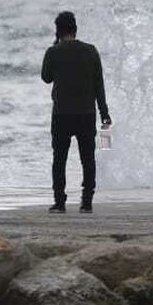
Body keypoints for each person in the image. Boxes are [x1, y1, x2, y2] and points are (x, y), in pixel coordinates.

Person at [40, 11, 111, 213]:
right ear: (75, 29)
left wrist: (55, 47)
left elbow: (46, 77)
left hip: (61, 114)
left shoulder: (53, 52)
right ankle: (86, 202)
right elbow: (99, 85)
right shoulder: (91, 51)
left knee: (59, 159)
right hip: (87, 113)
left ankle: (60, 202)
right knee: (88, 159)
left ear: (58, 31)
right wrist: (104, 111)